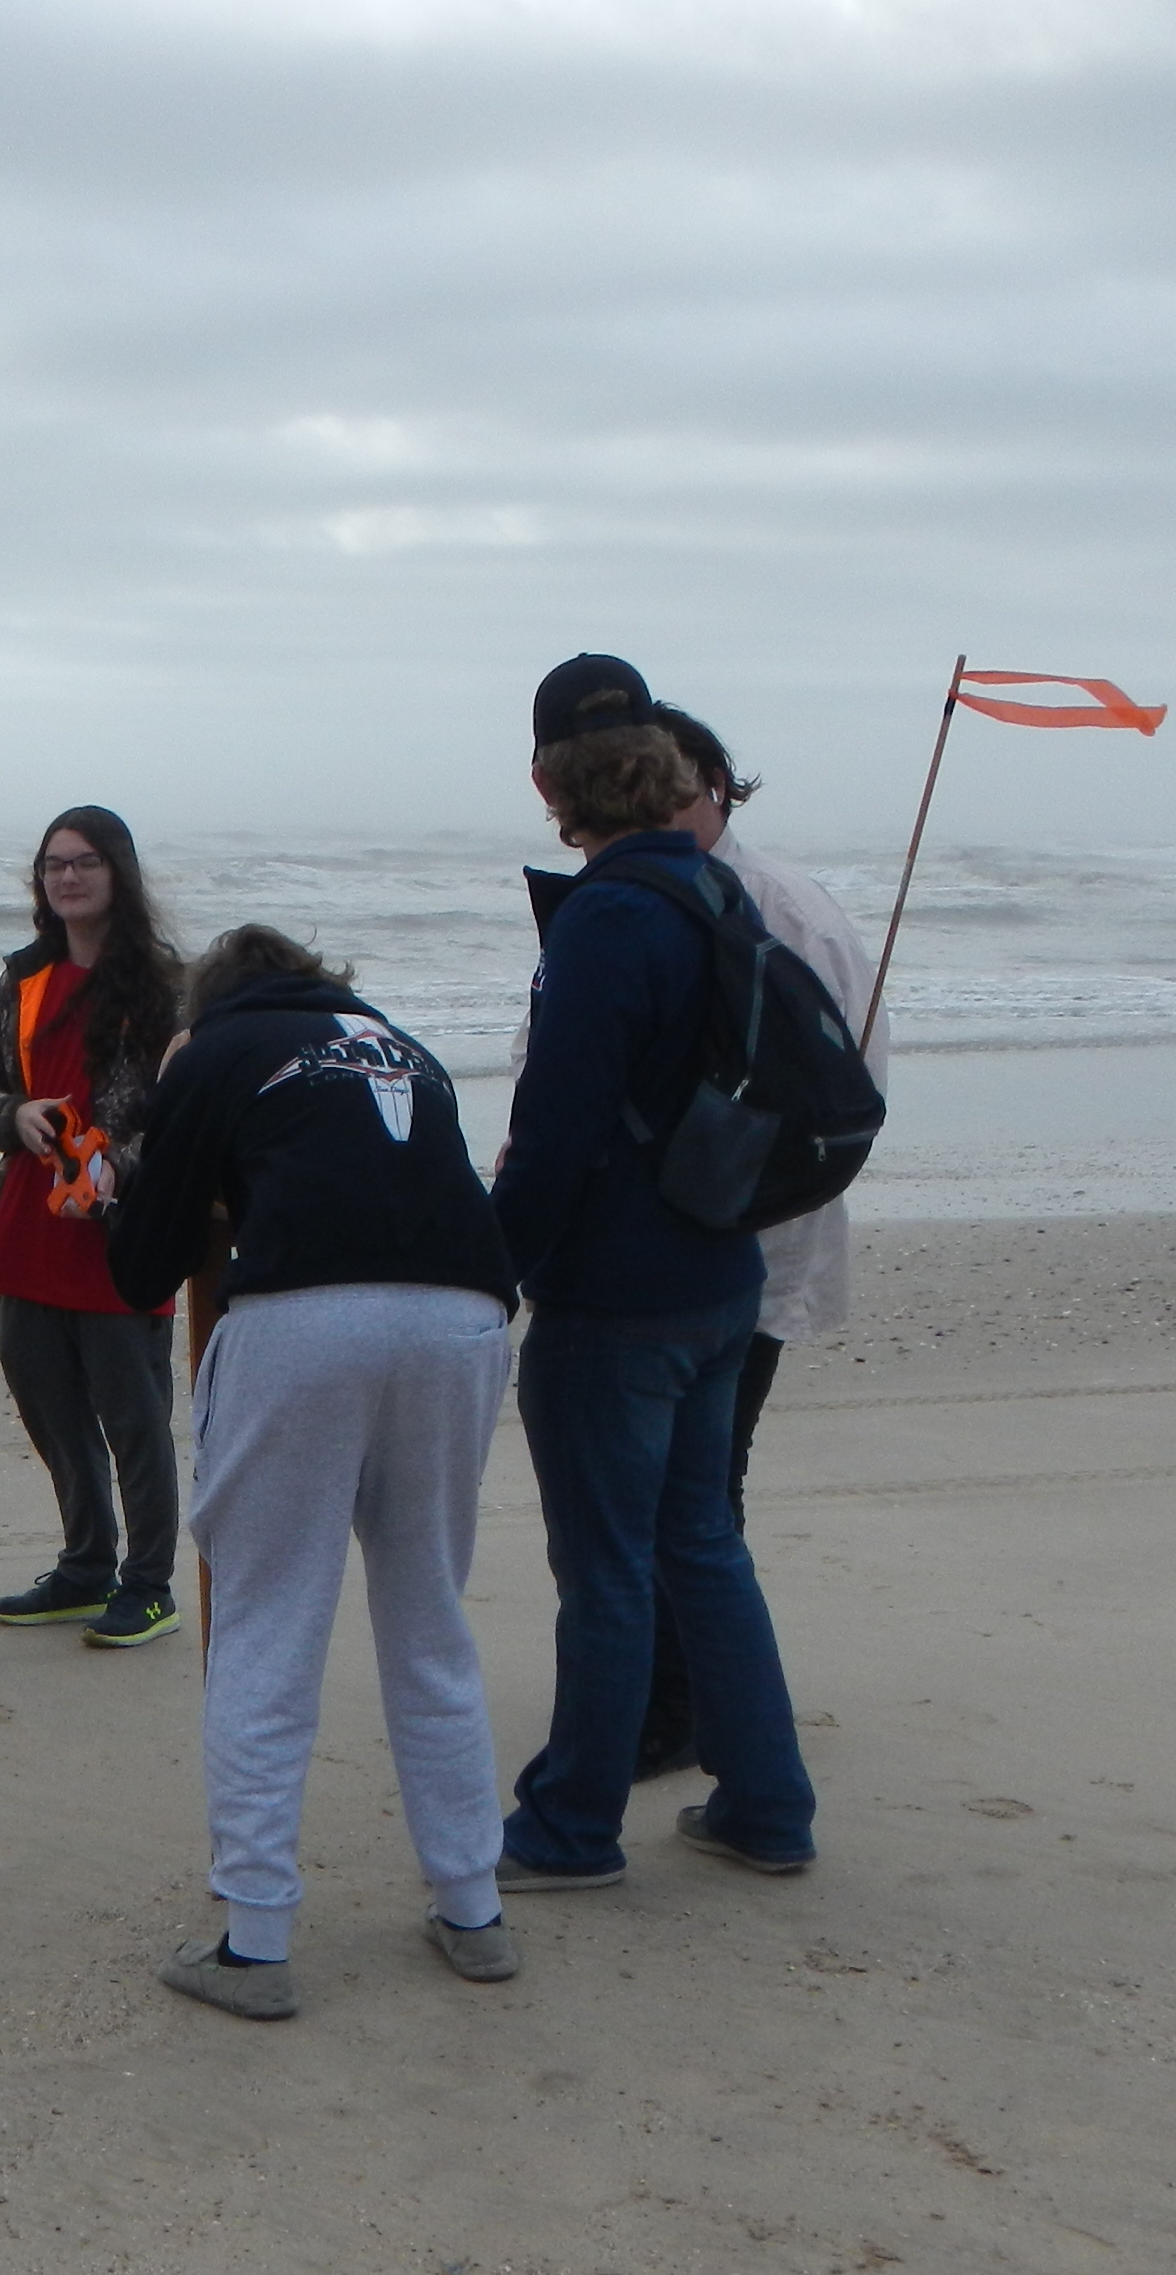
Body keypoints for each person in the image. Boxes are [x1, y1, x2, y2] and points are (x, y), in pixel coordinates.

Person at [109, 926, 521, 2017]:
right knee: (429, 1613)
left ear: (209, 1003)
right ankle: (472, 1904)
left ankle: (255, 1937)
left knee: (268, 1619)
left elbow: (144, 1259)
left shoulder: (213, 1052)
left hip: (305, 1316)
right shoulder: (404, 1046)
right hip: (464, 1312)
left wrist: (152, 1131)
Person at [489, 654, 818, 1890]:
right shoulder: (715, 894)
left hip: (617, 1294)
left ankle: (572, 1827)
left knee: (611, 1566)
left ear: (546, 781)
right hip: (720, 1274)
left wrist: (488, 1269)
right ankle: (766, 1804)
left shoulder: (608, 917)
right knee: (698, 1547)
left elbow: (557, 1132)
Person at [628, 702, 890, 1779]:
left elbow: (846, 1098)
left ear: (719, 790)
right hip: (657, 1245)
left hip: (753, 1247)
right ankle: (671, 1691)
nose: (659, 807)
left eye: (678, 787)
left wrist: (731, 1195)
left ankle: (687, 1712)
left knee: (697, 1491)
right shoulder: (638, 899)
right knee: (658, 1488)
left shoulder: (781, 911)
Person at [0, 806, 189, 1650]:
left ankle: (150, 1583)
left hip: (119, 1232)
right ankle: (86, 1563)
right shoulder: (22, 980)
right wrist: (15, 1115)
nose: (67, 877)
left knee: (133, 1414)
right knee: (46, 1400)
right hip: (28, 1221)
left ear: (117, 872)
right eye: (54, 864)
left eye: (84, 862)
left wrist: (114, 1164)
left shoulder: (168, 987)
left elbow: (184, 1115)